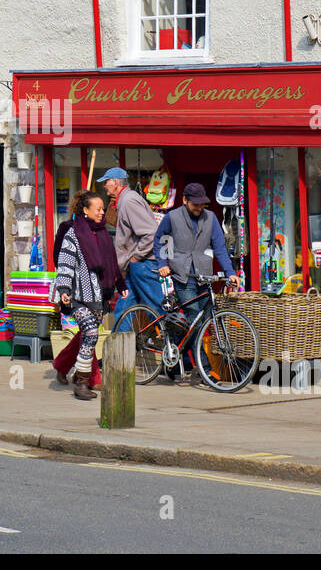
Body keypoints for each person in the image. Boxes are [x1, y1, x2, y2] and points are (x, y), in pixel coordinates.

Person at [54, 190, 125, 401]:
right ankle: (83, 381)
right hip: (76, 294)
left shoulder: (103, 232)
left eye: (104, 208)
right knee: (91, 333)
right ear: (85, 210)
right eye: (99, 208)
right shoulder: (72, 232)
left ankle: (64, 366)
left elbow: (112, 262)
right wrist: (64, 290)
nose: (103, 212)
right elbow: (64, 263)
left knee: (87, 334)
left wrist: (119, 283)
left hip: (98, 294)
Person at [155, 182, 237, 323]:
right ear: (185, 200)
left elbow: (220, 248)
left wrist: (230, 272)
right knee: (194, 317)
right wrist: (162, 263)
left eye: (202, 204)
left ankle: (185, 344)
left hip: (204, 276)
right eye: (195, 204)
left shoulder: (210, 218)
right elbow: (160, 240)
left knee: (205, 319)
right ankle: (197, 346)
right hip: (182, 277)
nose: (199, 207)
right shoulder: (172, 217)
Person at [100, 167, 165, 332]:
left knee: (158, 312)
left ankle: (180, 352)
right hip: (137, 267)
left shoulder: (129, 201)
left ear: (115, 182)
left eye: (106, 182)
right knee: (123, 310)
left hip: (143, 266)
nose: (104, 186)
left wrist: (136, 256)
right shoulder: (125, 200)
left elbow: (150, 233)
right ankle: (119, 355)